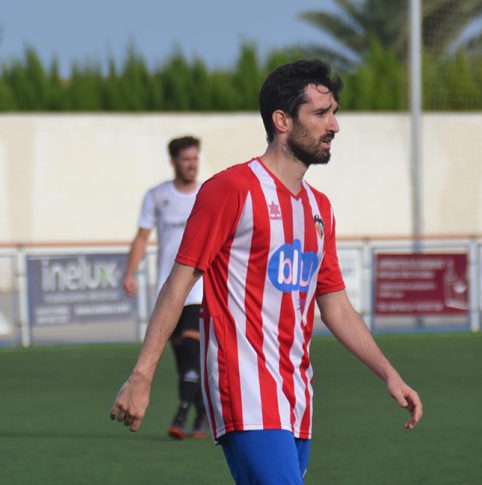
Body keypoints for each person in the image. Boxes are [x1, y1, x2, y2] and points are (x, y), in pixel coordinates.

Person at [111, 60, 422, 483]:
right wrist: (141, 376)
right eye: (320, 114)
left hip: (297, 392)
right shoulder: (231, 189)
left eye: (334, 113)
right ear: (282, 120)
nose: (334, 126)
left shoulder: (320, 209)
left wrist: (389, 374)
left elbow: (335, 305)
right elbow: (179, 282)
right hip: (244, 387)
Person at [121, 135, 206, 439]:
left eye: (195, 159)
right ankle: (203, 415)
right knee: (186, 355)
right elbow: (142, 237)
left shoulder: (208, 194)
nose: (192, 165)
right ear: (173, 162)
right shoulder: (157, 196)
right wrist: (130, 272)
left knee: (191, 342)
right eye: (186, 159)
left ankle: (182, 414)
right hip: (170, 290)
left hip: (201, 288)